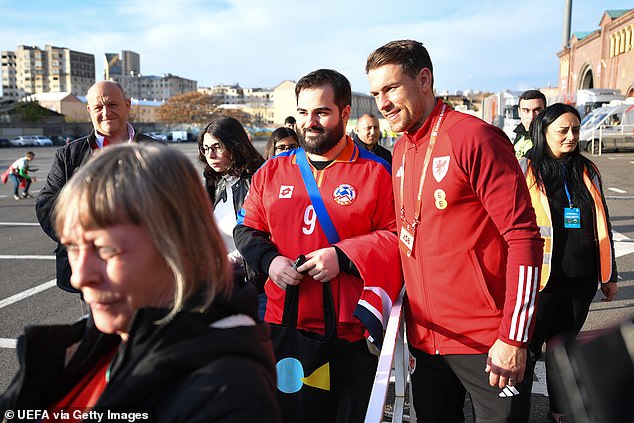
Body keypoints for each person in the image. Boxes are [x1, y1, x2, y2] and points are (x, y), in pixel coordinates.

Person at [0, 143, 281, 422]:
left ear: (181, 248)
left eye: (106, 249)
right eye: (73, 247)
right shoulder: (92, 343)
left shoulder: (227, 391)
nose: (79, 276)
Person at [366, 40, 544, 422]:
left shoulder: (473, 137)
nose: (382, 103)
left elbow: (524, 238)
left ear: (424, 79)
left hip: (487, 341)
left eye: (391, 88)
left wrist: (513, 337)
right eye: (376, 93)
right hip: (427, 341)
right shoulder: (399, 150)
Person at [234, 68, 402, 422]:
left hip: (348, 328)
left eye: (322, 112)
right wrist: (270, 262)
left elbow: (395, 238)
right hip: (284, 321)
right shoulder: (271, 171)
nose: (310, 122)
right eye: (303, 113)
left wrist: (343, 256)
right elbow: (248, 230)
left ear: (344, 113)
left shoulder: (376, 172)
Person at [521, 103, 618, 423]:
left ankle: (559, 413)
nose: (571, 136)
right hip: (542, 280)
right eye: (563, 131)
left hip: (581, 281)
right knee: (526, 351)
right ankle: (510, 409)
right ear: (543, 132)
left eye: (575, 130)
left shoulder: (588, 169)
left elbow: (602, 222)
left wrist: (609, 273)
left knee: (564, 352)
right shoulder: (527, 169)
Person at [36, 80, 155, 293]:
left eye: (112, 104)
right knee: (95, 324)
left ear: (128, 105)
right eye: (99, 107)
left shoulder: (155, 151)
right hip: (88, 270)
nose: (106, 112)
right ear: (89, 110)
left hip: (143, 267)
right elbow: (46, 205)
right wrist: (80, 240)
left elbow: (174, 205)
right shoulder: (68, 155)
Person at [197, 116, 266, 318]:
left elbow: (264, 237)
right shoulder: (215, 182)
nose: (210, 154)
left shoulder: (257, 181)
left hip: (255, 290)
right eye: (205, 148)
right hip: (222, 285)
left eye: (217, 147)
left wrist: (225, 263)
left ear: (234, 144)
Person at [513, 89, 546, 158]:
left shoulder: (549, 139)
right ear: (519, 112)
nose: (531, 117)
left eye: (537, 110)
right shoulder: (519, 134)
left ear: (545, 111)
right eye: (526, 110)